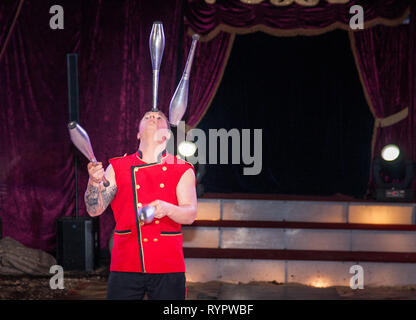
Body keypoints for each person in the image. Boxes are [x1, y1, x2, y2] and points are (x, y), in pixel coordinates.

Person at [84, 111, 197, 300]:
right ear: (138, 133)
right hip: (125, 261)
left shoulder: (182, 168)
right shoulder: (117, 167)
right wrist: (93, 183)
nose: (153, 117)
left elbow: (190, 214)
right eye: (147, 116)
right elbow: (94, 210)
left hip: (167, 263)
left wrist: (168, 208)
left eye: (159, 117)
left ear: (167, 134)